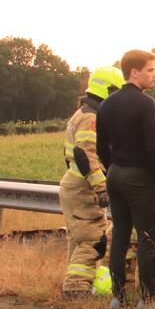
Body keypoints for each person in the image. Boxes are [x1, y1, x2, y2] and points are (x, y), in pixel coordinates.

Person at [97, 50, 155, 308]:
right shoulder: (146, 103)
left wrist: (112, 168)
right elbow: (153, 145)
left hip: (115, 174)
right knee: (147, 238)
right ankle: (147, 299)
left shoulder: (106, 104)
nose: (154, 75)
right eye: (150, 69)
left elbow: (101, 146)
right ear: (134, 72)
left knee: (121, 237)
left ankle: (117, 296)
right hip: (140, 177)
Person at [58, 66, 125, 296]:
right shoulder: (91, 118)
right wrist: (100, 186)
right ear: (108, 90)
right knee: (93, 240)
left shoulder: (82, 113)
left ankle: (73, 283)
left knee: (79, 241)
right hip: (83, 188)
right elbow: (85, 154)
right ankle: (76, 288)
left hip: (74, 184)